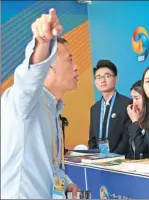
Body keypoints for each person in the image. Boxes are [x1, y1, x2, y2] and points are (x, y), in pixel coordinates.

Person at [1, 8, 80, 198]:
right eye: (70, 60)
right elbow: (27, 78)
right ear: (49, 67)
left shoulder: (53, 108)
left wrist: (67, 184)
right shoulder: (24, 102)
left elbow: (47, 164)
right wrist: (42, 44)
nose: (77, 67)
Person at [88, 60, 131, 156]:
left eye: (107, 76)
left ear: (116, 79)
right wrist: (95, 157)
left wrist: (113, 157)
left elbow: (127, 137)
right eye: (98, 77)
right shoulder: (94, 108)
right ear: (95, 82)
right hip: (99, 162)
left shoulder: (126, 103)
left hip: (121, 160)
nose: (103, 80)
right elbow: (92, 139)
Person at [127, 80, 144, 159]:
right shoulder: (136, 118)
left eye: (137, 98)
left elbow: (141, 149)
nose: (134, 103)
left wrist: (135, 122)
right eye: (132, 99)